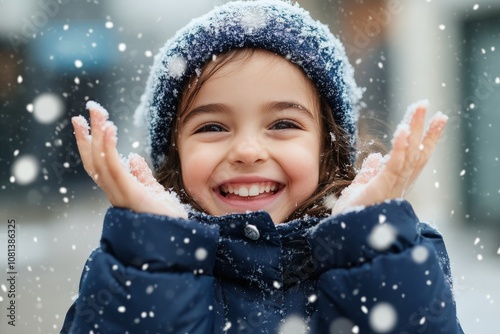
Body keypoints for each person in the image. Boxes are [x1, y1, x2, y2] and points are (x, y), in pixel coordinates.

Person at [61, 1, 464, 333]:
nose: (248, 151)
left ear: (328, 147)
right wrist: (154, 252)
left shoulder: (393, 250)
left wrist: (366, 241)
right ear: (175, 153)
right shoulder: (132, 262)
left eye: (283, 124)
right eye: (213, 126)